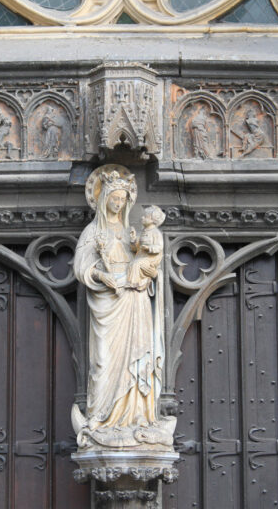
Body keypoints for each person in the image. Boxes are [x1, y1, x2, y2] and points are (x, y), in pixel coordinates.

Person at [73, 168, 167, 443]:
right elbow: (81, 267)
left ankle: (135, 416)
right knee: (103, 360)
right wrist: (101, 275)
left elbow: (148, 260)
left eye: (123, 199)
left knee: (137, 358)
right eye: (114, 197)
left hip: (134, 300)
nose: (119, 203)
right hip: (108, 301)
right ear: (103, 200)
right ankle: (101, 417)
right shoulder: (93, 231)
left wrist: (150, 274)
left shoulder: (131, 231)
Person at [127, 205, 165, 291]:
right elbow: (135, 249)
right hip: (141, 256)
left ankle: (134, 283)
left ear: (153, 220)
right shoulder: (142, 232)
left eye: (145, 216)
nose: (142, 218)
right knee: (132, 264)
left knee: (136, 264)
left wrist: (149, 248)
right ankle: (133, 282)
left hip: (151, 259)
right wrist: (133, 240)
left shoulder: (155, 232)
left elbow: (159, 247)